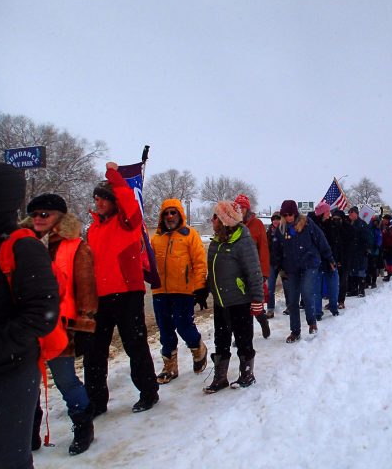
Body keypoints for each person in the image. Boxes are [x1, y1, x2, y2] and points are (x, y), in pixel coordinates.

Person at [21, 194, 98, 455]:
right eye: (35, 214)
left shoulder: (76, 246)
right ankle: (28, 431)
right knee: (26, 383)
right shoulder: (19, 244)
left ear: (60, 217)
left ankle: (83, 426)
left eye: (46, 214)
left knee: (66, 381)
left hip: (59, 329)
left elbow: (86, 288)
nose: (39, 219)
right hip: (26, 330)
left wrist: (85, 324)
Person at [0, 162, 59, 468]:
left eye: (45, 214)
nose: (39, 219)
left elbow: (41, 314)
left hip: (9, 372)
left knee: (7, 459)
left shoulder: (22, 246)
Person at [85, 161, 159, 416]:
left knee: (134, 346)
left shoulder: (128, 222)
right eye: (96, 198)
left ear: (115, 200)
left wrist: (114, 177)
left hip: (127, 294)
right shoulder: (93, 229)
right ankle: (95, 401)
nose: (99, 202)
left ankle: (148, 392)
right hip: (100, 298)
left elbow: (129, 201)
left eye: (104, 198)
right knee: (94, 352)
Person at [203, 201, 264, 393]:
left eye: (215, 217)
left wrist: (257, 300)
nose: (212, 220)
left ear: (224, 220)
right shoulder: (216, 242)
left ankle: (247, 373)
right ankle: (220, 377)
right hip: (221, 302)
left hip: (240, 300)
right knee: (221, 340)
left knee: (243, 338)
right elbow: (212, 272)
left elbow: (254, 272)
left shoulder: (243, 240)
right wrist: (204, 290)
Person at [150, 199, 208, 385]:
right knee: (165, 330)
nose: (170, 216)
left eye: (173, 212)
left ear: (180, 214)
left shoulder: (190, 234)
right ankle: (170, 367)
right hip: (160, 291)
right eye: (166, 213)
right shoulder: (156, 238)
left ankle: (198, 349)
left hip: (183, 291)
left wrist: (200, 287)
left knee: (184, 326)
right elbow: (148, 263)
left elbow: (199, 263)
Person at [273, 200, 334, 343]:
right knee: (292, 300)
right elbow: (276, 251)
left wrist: (329, 258)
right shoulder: (281, 229)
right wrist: (277, 267)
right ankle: (295, 331)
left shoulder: (307, 224)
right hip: (291, 268)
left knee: (307, 293)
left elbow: (321, 240)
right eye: (285, 214)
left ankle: (312, 322)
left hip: (309, 264)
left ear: (295, 213)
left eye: (290, 214)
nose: (288, 217)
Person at [234, 194, 271, 338]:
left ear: (247, 208)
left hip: (254, 270)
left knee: (255, 306)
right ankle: (242, 336)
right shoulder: (232, 224)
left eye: (243, 207)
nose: (241, 210)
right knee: (240, 307)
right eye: (238, 207)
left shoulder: (257, 224)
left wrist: (264, 273)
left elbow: (263, 249)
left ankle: (263, 322)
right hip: (237, 271)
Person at [310, 201, 340, 319]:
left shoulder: (331, 224)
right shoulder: (313, 227)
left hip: (330, 260)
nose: (329, 214)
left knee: (333, 287)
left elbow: (335, 243)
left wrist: (334, 259)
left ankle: (333, 307)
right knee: (316, 289)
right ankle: (317, 312)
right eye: (327, 212)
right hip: (318, 262)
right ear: (322, 213)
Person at [266, 211, 289, 318]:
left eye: (278, 218)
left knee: (287, 286)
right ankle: (270, 309)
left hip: (283, 264)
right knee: (270, 287)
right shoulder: (268, 232)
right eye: (274, 219)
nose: (276, 221)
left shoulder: (286, 230)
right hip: (271, 263)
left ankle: (290, 306)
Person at [346, 206, 370, 297]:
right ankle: (353, 289)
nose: (350, 216)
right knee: (352, 272)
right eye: (349, 214)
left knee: (361, 271)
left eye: (351, 214)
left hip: (360, 251)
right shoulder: (349, 223)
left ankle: (361, 290)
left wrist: (365, 249)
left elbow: (366, 238)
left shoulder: (362, 224)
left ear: (356, 213)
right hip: (352, 252)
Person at [366, 215, 382, 289]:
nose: (375, 223)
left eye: (377, 222)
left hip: (374, 251)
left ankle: (373, 282)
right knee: (368, 267)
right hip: (368, 250)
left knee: (373, 267)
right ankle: (368, 281)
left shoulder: (377, 230)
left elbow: (379, 239)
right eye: (374, 221)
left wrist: (377, 245)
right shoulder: (369, 228)